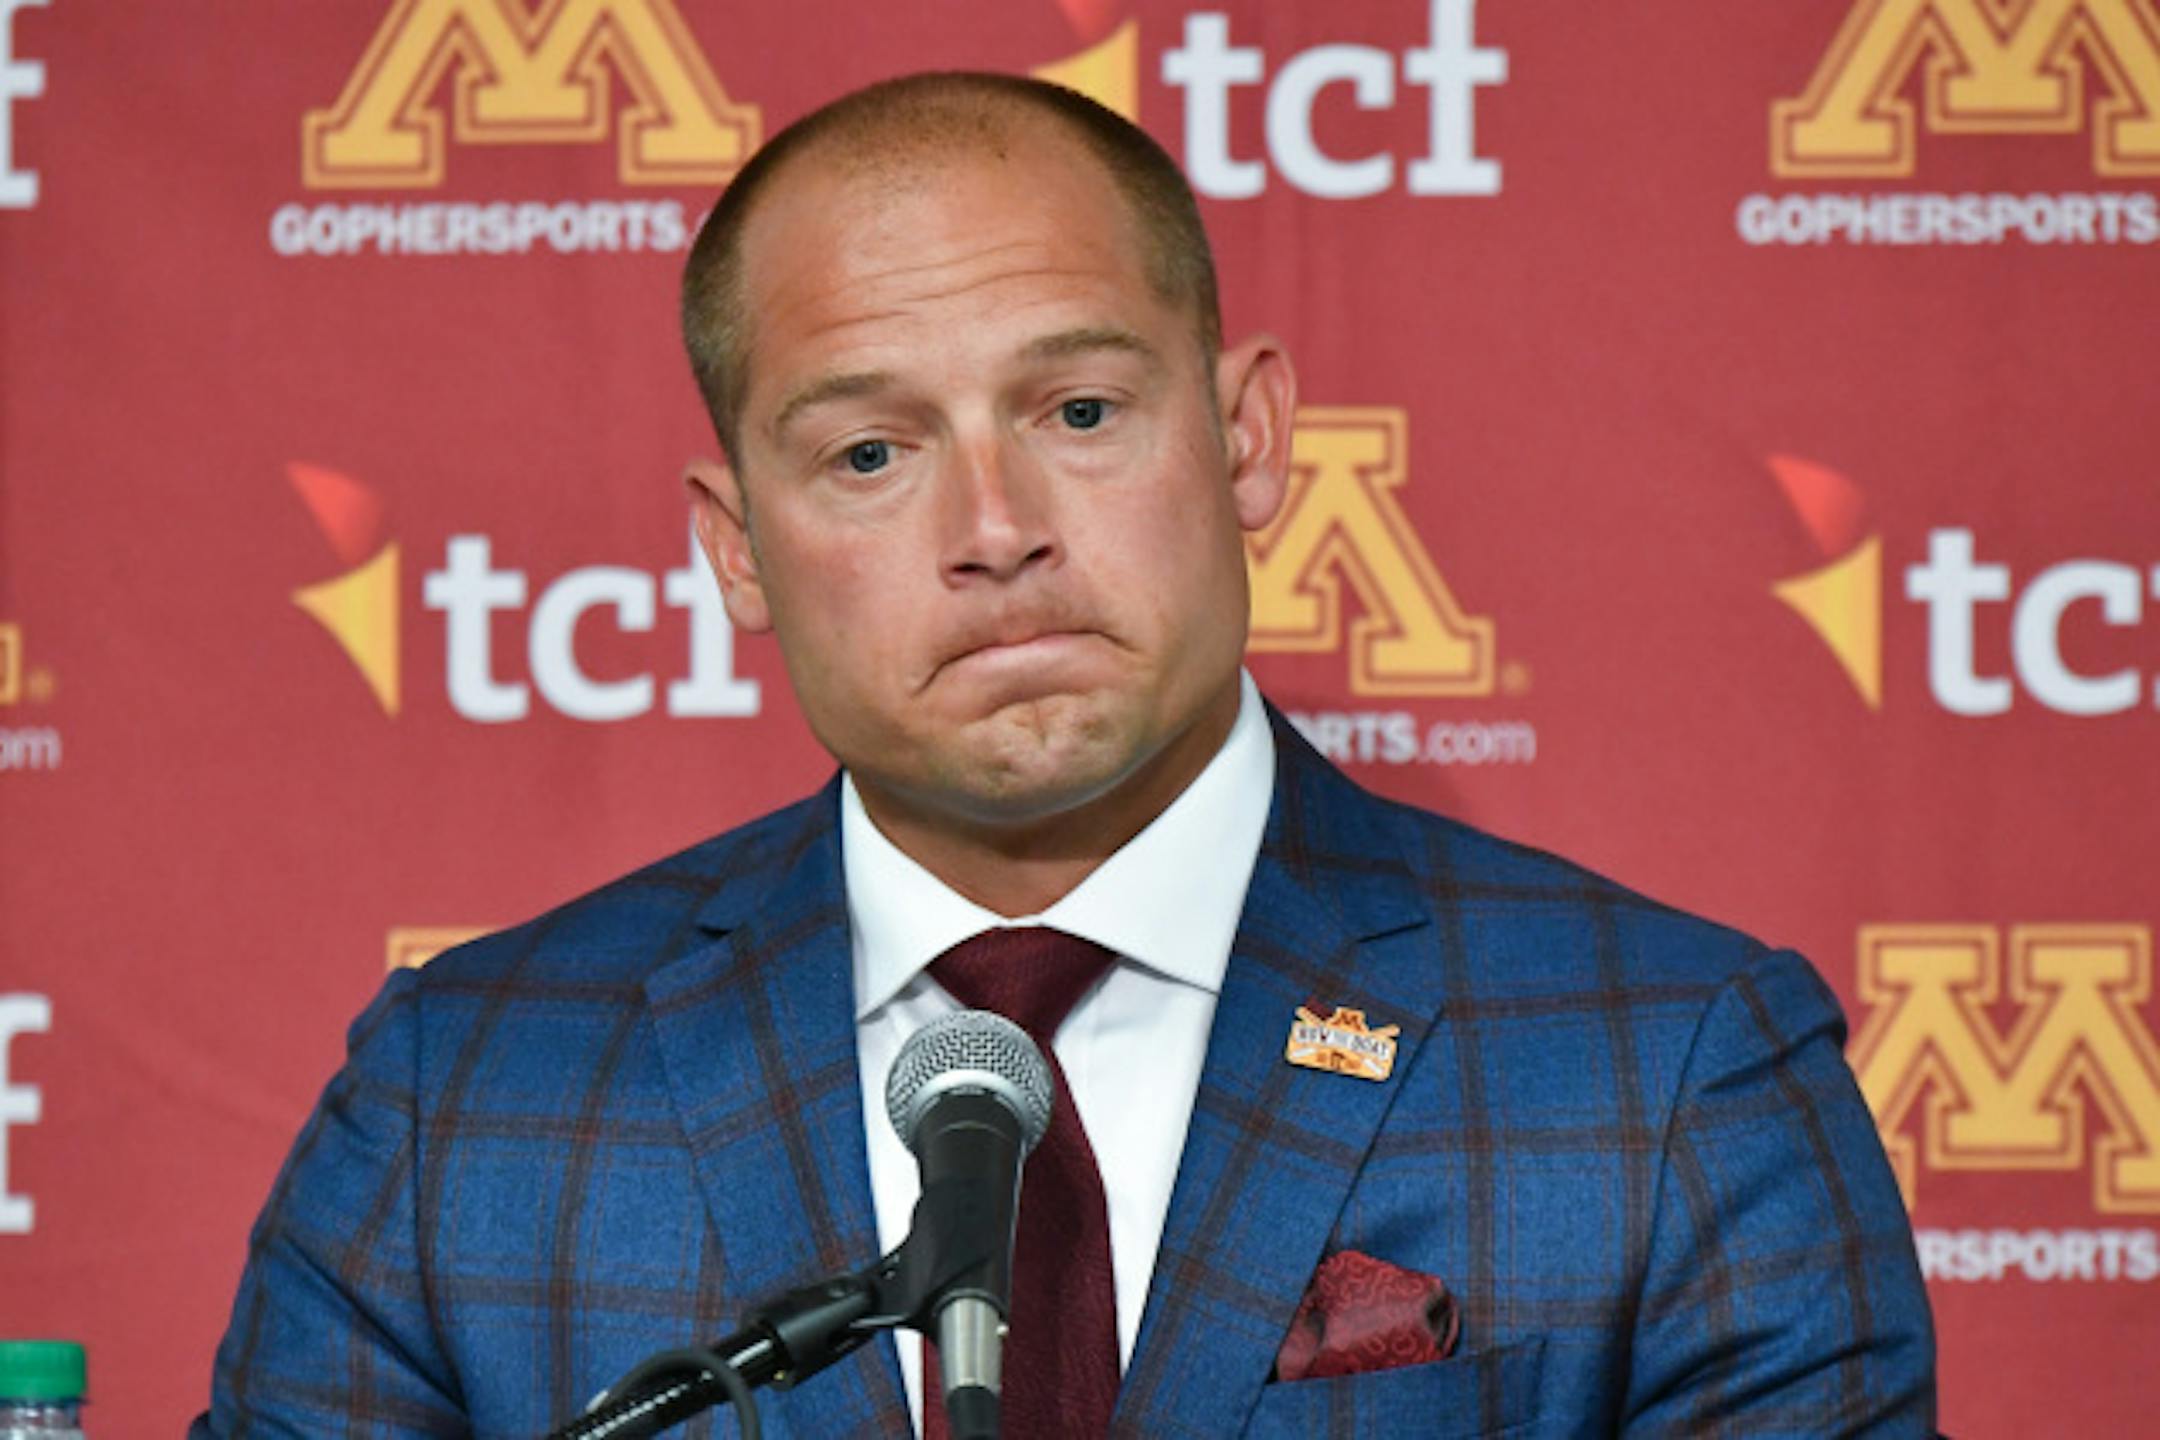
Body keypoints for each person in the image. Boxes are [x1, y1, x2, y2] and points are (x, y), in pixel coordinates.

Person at [195, 72, 1936, 1437]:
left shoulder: (1669, 1072)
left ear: (1246, 438)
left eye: (1081, 413)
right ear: (736, 548)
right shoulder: (466, 1103)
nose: (997, 526)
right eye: (871, 454)